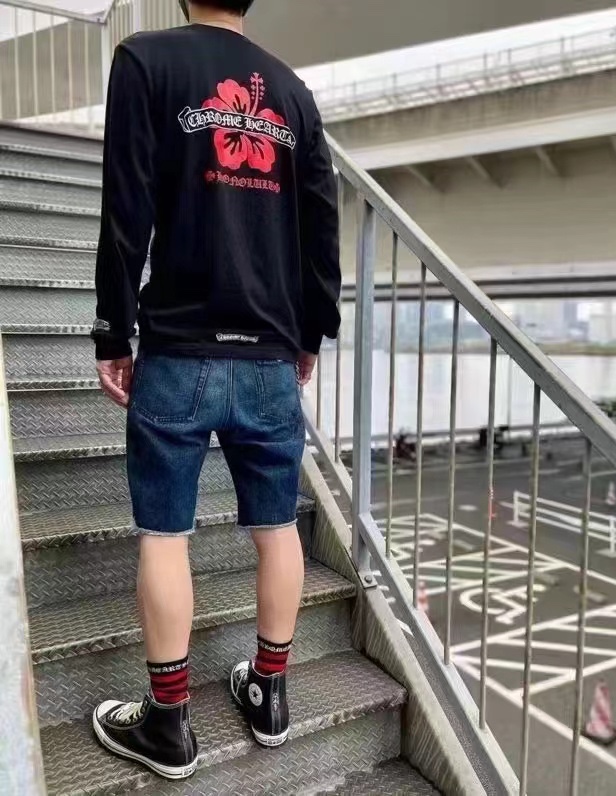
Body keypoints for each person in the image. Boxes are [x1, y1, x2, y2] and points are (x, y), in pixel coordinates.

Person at [90, 0, 341, 780]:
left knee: (165, 536)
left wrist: (113, 330)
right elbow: (320, 220)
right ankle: (268, 696)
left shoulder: (146, 60)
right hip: (269, 352)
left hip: (179, 348)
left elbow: (126, 204)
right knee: (277, 527)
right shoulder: (292, 92)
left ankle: (168, 724)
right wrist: (312, 331)